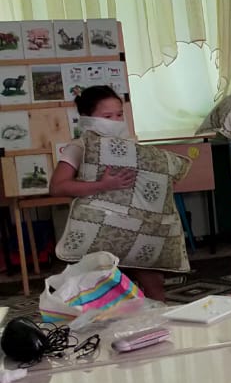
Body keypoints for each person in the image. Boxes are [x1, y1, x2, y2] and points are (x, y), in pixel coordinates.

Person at [50, 85, 168, 301]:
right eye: (107, 116)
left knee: (154, 282)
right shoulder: (79, 147)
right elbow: (57, 187)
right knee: (103, 291)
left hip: (134, 227)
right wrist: (102, 185)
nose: (116, 120)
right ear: (87, 117)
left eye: (119, 114)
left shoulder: (129, 145)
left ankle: (158, 320)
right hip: (98, 231)